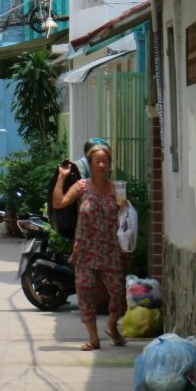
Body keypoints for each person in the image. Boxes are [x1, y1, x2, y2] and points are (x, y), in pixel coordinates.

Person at [52, 141, 127, 351]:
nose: (101, 165)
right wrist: (61, 177)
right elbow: (59, 202)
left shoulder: (117, 189)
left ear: (109, 164)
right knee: (85, 292)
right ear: (90, 164)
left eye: (105, 161)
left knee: (118, 293)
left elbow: (125, 218)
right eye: (97, 161)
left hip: (111, 250)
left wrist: (124, 207)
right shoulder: (81, 187)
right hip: (85, 251)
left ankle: (112, 325)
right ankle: (94, 338)